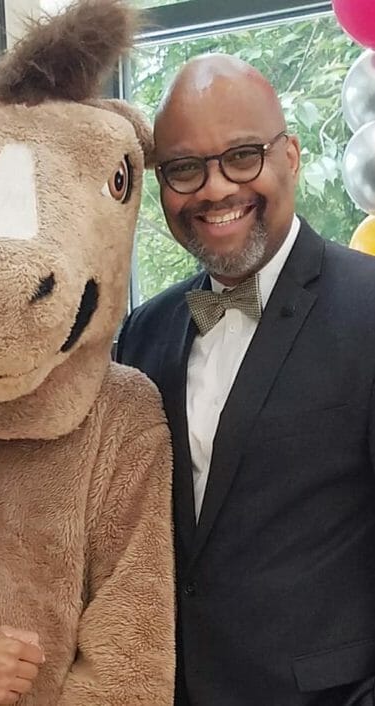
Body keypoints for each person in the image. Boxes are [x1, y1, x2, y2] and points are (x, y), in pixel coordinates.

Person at [117, 52, 375, 706]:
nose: (212, 189)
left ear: (289, 154)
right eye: (183, 168)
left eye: (241, 155)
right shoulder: (141, 332)